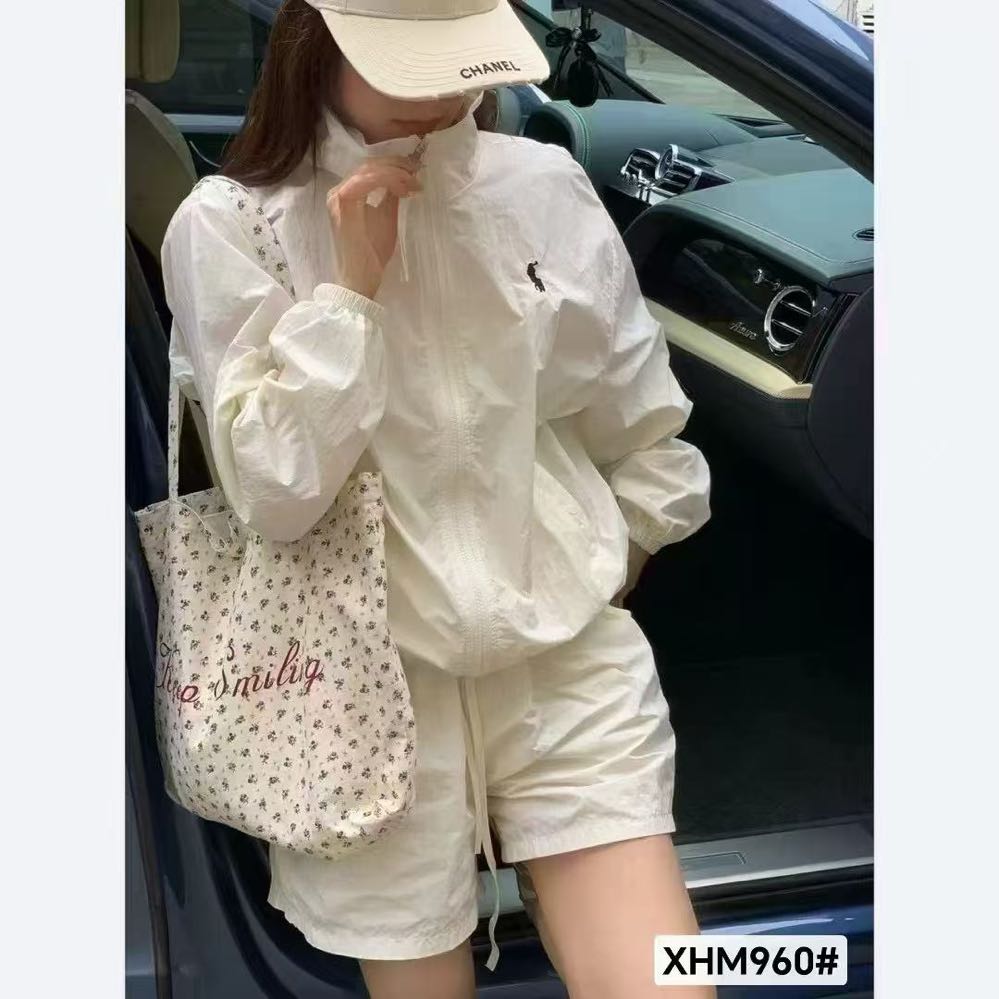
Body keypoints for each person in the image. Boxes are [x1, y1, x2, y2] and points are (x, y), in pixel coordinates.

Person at [161, 2, 713, 997]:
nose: (441, 93)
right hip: (362, 692)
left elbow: (639, 422)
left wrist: (609, 563)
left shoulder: (541, 185)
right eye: (406, 63)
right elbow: (275, 493)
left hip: (564, 666)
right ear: (317, 41)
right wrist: (349, 297)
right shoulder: (232, 223)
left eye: (460, 62)